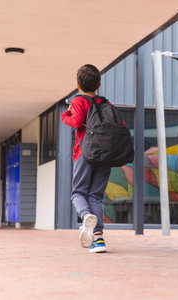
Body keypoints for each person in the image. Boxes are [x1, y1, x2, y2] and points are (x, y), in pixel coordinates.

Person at [61, 64, 111, 253]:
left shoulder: (78, 101)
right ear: (98, 85)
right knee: (96, 195)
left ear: (77, 84)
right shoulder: (105, 103)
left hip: (85, 153)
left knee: (78, 193)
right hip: (105, 155)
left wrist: (65, 114)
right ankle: (98, 241)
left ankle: (86, 215)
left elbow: (75, 121)